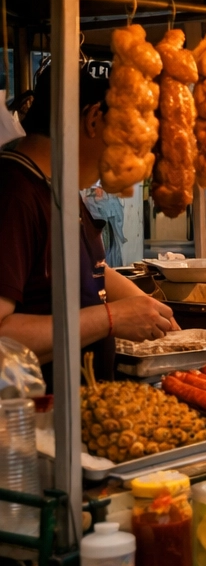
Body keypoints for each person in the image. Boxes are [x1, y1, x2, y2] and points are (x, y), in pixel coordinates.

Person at [0, 64, 179, 381]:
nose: (131, 155)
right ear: (95, 119)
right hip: (36, 422)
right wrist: (112, 317)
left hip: (80, 413)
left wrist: (145, 305)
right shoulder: (13, 194)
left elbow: (82, 267)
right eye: (128, 136)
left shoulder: (56, 186)